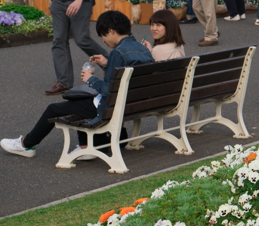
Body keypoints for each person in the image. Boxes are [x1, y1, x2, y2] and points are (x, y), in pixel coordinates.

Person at [2, 10, 153, 159]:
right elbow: (125, 76)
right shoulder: (143, 49)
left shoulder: (117, 52)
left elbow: (107, 89)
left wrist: (90, 79)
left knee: (54, 109)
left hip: (112, 107)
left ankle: (26, 145)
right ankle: (90, 144)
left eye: (103, 35)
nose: (103, 41)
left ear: (112, 31)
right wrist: (108, 64)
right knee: (80, 100)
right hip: (135, 104)